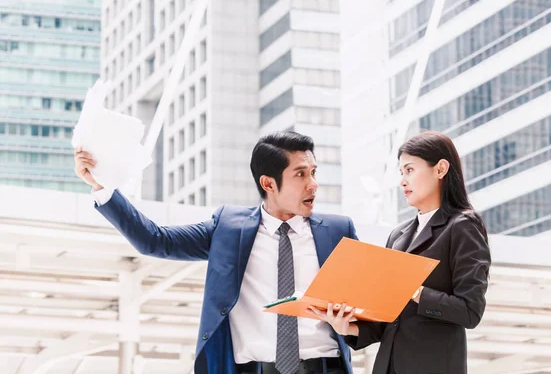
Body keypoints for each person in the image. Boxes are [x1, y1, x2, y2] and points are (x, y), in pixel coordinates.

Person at [74, 131, 357, 374]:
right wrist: (102, 187)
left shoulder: (337, 231)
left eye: (314, 172)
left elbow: (367, 305)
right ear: (268, 183)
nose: (313, 184)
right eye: (300, 174)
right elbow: (155, 240)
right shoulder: (228, 229)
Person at [310, 131, 491, 374]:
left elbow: (470, 311)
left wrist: (415, 290)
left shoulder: (463, 226)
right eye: (401, 173)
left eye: (410, 170)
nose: (402, 181)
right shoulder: (399, 235)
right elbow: (388, 320)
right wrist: (347, 327)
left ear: (440, 169)